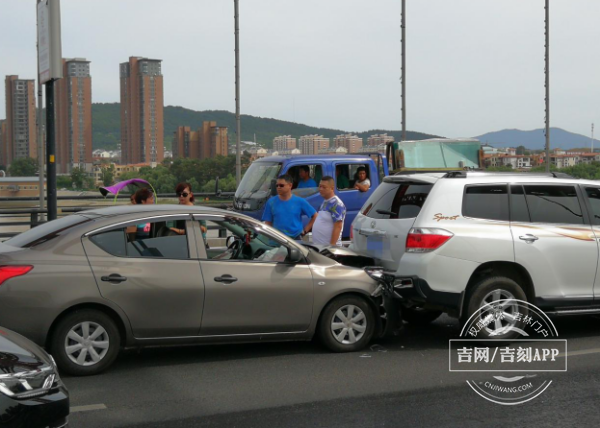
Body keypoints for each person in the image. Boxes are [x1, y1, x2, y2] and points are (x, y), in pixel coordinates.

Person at [262, 174, 317, 239]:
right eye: (277, 185)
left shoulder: (300, 201)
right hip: (277, 241)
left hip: (295, 240)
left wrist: (305, 231)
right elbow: (268, 223)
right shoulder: (271, 202)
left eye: (281, 185)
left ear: (290, 185)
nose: (278, 187)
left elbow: (315, 216)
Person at [312, 176, 346, 246]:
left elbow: (338, 226)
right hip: (320, 247)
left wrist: (332, 246)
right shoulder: (325, 202)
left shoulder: (337, 204)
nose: (321, 189)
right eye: (320, 186)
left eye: (324, 187)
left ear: (332, 188)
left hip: (329, 250)